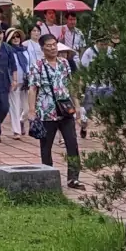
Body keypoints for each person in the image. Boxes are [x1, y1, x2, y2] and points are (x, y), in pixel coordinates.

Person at [32, 33, 81, 188]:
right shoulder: (38, 65)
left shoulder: (64, 63)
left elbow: (71, 85)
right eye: (48, 45)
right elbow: (32, 89)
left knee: (72, 143)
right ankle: (48, 177)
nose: (52, 48)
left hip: (65, 110)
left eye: (54, 44)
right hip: (47, 112)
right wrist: (31, 110)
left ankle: (73, 178)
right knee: (46, 146)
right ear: (42, 48)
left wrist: (77, 105)